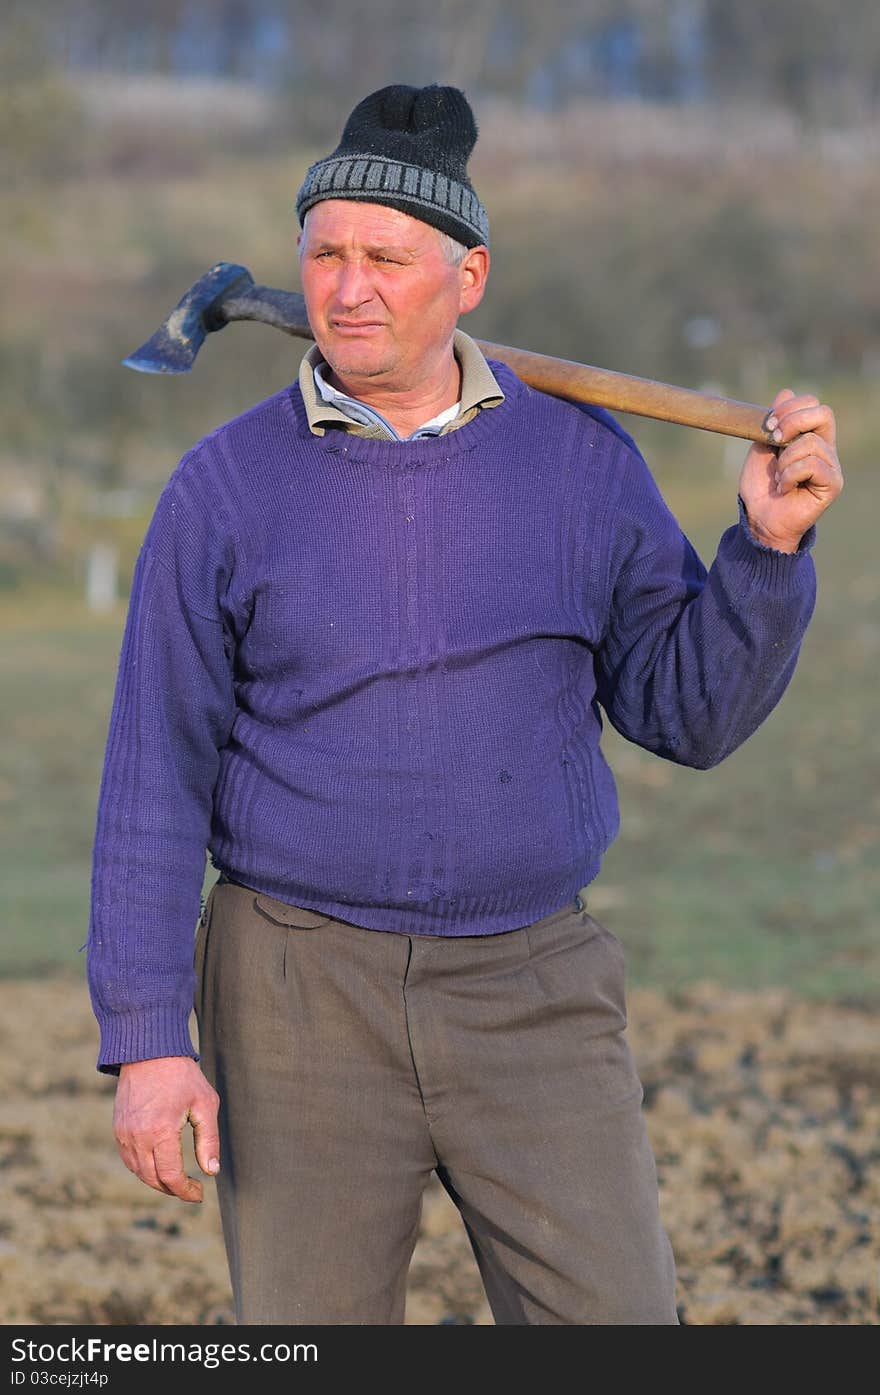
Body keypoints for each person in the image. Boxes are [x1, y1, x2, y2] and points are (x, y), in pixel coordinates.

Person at [86, 84, 843, 1326]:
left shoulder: (581, 462)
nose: (347, 289)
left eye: (385, 257)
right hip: (294, 996)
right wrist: (146, 1041)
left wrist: (763, 554)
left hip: (533, 991)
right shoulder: (221, 489)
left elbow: (688, 715)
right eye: (323, 255)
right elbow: (151, 778)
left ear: (468, 276)